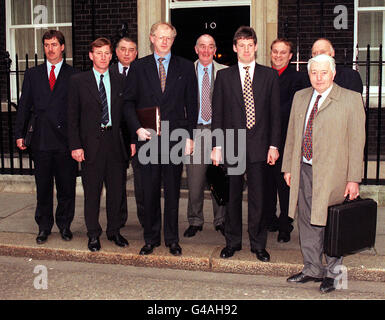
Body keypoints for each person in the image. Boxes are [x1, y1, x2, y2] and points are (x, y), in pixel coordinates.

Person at [282, 54, 365, 293]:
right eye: (314, 73)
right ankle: (312, 269)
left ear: (333, 73)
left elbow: (357, 142)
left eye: (323, 72)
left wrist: (353, 179)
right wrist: (288, 166)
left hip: (334, 175)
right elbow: (292, 135)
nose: (318, 78)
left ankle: (334, 274)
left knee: (333, 225)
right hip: (304, 170)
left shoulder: (350, 100)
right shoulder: (301, 97)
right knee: (307, 221)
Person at [124, 22, 198, 256]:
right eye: (160, 37)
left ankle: (173, 239)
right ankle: (151, 238)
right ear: (152, 38)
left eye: (169, 37)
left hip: (176, 138)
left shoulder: (185, 67)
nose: (165, 41)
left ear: (173, 40)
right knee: (149, 190)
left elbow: (192, 105)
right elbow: (127, 103)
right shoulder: (138, 67)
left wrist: (190, 137)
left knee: (174, 191)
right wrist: (136, 129)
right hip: (148, 139)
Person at [211, 26, 281, 262]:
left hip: (260, 146)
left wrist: (274, 145)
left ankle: (258, 244)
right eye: (241, 45)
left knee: (258, 198)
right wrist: (217, 147)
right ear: (234, 48)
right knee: (231, 198)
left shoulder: (269, 76)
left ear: (256, 47)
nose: (246, 50)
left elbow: (275, 115)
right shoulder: (224, 76)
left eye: (250, 45)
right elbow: (217, 114)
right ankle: (232, 242)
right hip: (231, 146)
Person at [15, 30, 78, 245]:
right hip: (41, 140)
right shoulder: (33, 74)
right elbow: (24, 106)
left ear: (62, 47)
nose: (50, 49)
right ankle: (43, 227)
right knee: (43, 188)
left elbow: (78, 111)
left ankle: (65, 225)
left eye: (54, 44)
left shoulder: (74, 75)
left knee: (66, 187)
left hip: (65, 140)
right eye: (46, 45)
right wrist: (19, 134)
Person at [68, 37, 129, 252]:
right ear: (91, 56)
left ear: (111, 55)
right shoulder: (78, 81)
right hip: (90, 145)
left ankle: (114, 231)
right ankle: (93, 233)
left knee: (116, 192)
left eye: (107, 53)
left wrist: (130, 141)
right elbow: (72, 117)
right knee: (92, 192)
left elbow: (125, 115)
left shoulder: (120, 80)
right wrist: (75, 145)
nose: (103, 57)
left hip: (114, 143)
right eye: (99, 53)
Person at [183, 34, 227, 238]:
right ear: (196, 48)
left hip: (218, 130)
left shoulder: (225, 73)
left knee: (218, 178)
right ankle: (195, 220)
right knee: (194, 180)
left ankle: (221, 220)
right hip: (195, 132)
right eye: (202, 46)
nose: (206, 50)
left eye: (210, 46)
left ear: (215, 49)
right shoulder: (185, 72)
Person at [265, 38, 303, 243]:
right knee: (267, 183)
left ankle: (285, 225)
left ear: (290, 56)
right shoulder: (264, 75)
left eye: (283, 52)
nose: (278, 56)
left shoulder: (298, 79)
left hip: (285, 140)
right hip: (265, 140)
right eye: (275, 52)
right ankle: (269, 219)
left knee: (284, 185)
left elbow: (291, 110)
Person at [109, 37, 143, 228]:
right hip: (115, 136)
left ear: (136, 53)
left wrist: (134, 136)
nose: (127, 53)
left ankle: (145, 220)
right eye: (123, 49)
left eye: (131, 50)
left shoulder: (143, 71)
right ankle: (119, 220)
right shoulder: (108, 72)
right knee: (117, 182)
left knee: (141, 182)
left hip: (138, 135)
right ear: (116, 52)